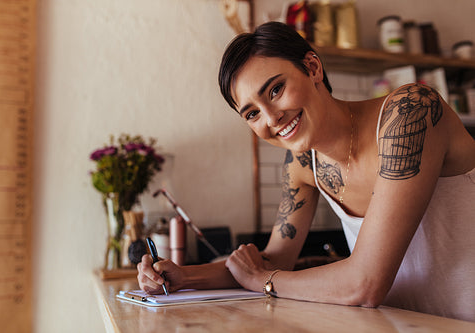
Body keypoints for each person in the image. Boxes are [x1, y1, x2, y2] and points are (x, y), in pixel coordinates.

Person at [137, 22, 475, 321]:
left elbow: (365, 283)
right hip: (410, 324)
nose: (271, 119)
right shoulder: (303, 163)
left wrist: (263, 281)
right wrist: (182, 276)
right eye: (252, 113)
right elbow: (270, 258)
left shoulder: (409, 113)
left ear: (312, 67)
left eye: (275, 90)